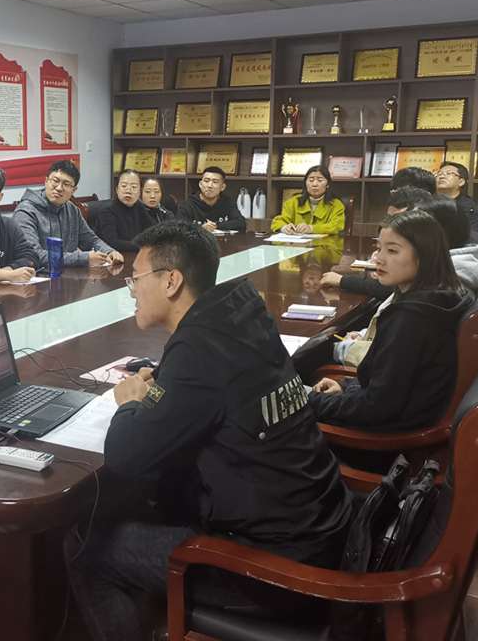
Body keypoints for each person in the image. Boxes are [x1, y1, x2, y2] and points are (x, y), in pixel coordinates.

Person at [65, 221, 352, 641]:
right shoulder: (241, 310)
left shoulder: (198, 349)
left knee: (84, 546)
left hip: (274, 568)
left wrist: (129, 404)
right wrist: (168, 382)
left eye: (136, 278)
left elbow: (125, 457)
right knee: (146, 500)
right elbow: (219, 385)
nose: (131, 290)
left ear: (171, 281)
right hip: (319, 528)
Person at [308, 210, 470, 431]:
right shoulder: (444, 296)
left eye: (392, 250)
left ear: (424, 256)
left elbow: (375, 407)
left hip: (391, 433)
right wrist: (345, 386)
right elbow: (386, 383)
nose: (379, 258)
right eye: (379, 248)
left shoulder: (411, 319)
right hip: (403, 414)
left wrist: (308, 401)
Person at [14, 159, 124, 268]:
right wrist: (83, 258)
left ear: (74, 190)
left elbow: (90, 240)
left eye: (66, 184)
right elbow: (33, 255)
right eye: (55, 181)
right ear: (46, 181)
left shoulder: (72, 210)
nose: (59, 188)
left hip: (68, 274)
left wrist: (109, 252)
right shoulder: (26, 211)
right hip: (37, 275)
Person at [270, 165, 346, 235]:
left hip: (325, 244)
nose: (315, 184)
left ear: (328, 184)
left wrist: (311, 228)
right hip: (297, 244)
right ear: (305, 183)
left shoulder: (336, 205)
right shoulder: (293, 202)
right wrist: (285, 228)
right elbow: (277, 222)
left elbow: (336, 226)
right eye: (311, 180)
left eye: (320, 180)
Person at [93, 169, 153, 252]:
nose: (128, 191)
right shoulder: (108, 210)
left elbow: (151, 230)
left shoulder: (139, 206)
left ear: (140, 192)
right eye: (124, 186)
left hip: (134, 254)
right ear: (117, 189)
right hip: (111, 255)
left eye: (134, 187)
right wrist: (142, 246)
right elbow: (112, 242)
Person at [176, 166, 246, 232]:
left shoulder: (228, 203)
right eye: (206, 181)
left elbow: (241, 223)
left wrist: (215, 225)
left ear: (223, 187)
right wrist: (201, 227)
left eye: (215, 182)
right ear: (200, 184)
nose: (209, 186)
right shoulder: (189, 205)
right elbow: (178, 227)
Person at [436, 162, 478, 243]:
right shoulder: (428, 202)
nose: (442, 176)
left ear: (461, 182)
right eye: (439, 174)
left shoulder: (471, 208)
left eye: (449, 173)